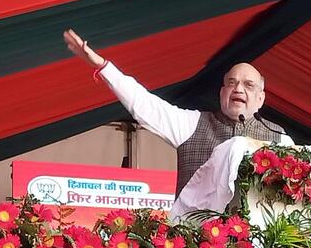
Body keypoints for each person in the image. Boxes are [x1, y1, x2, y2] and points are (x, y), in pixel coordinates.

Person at [63, 29, 293, 199]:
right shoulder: (193, 124)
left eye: (248, 85)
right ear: (222, 93)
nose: (239, 89)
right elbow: (144, 105)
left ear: (261, 98)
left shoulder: (279, 138)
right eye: (231, 83)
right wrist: (104, 67)